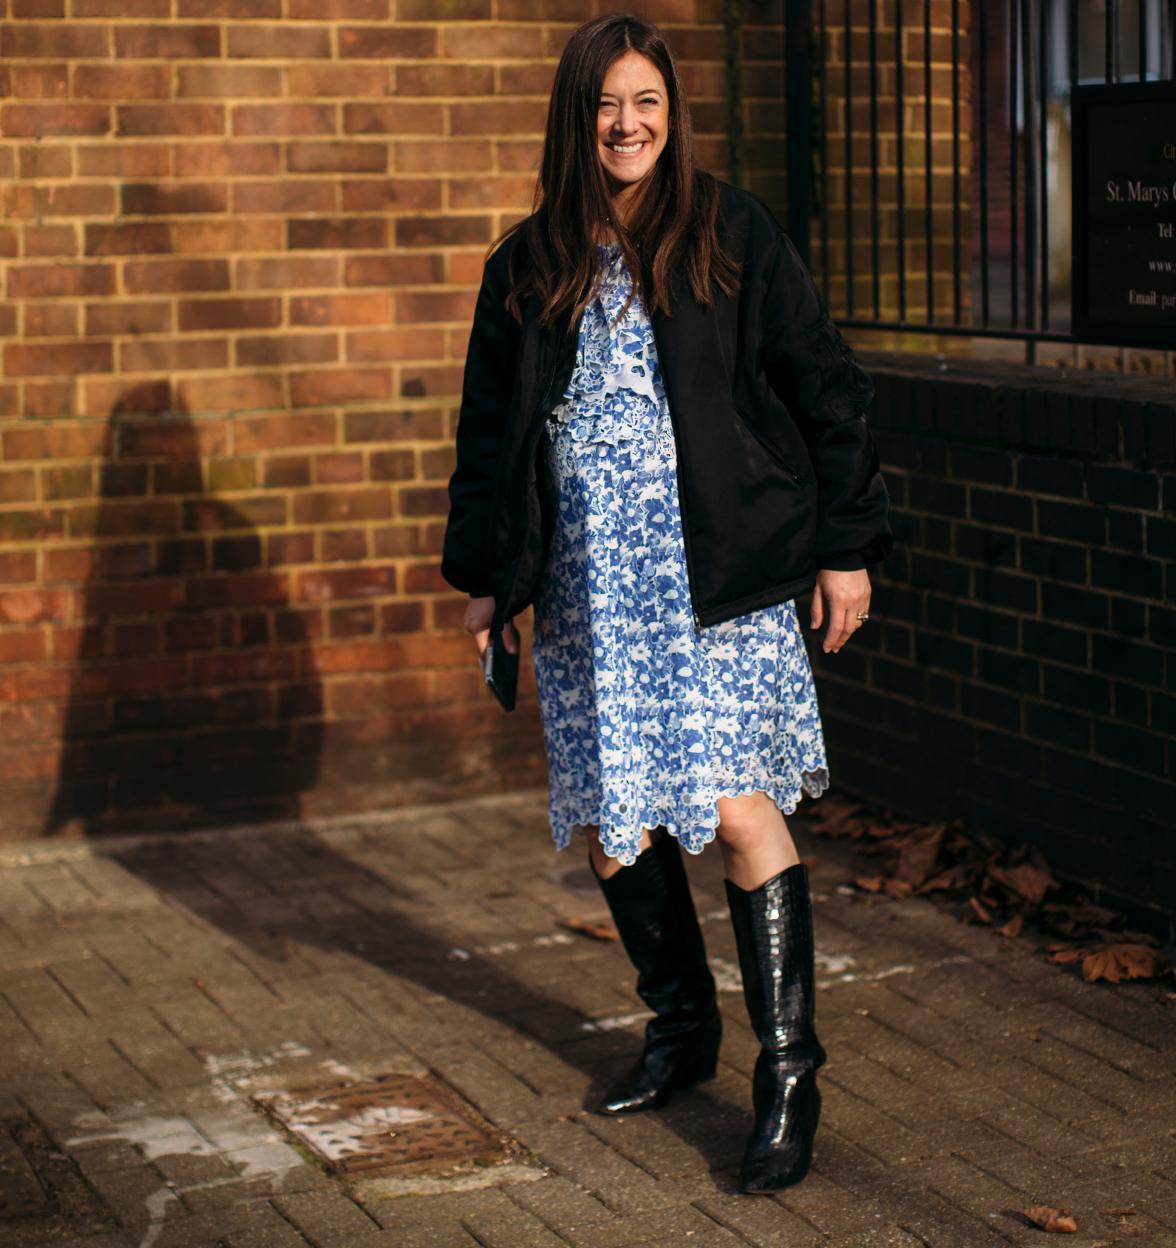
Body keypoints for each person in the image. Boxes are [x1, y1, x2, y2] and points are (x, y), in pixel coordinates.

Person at [440, 13, 892, 1195]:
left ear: (671, 112)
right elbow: (489, 438)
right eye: (607, 105)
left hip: (716, 588)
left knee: (738, 814)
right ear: (575, 118)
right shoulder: (528, 260)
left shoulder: (730, 231)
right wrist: (490, 584)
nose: (629, 124)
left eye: (647, 102)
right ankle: (681, 1029)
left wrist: (846, 549)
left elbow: (825, 385)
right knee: (612, 822)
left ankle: (789, 1074)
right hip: (590, 595)